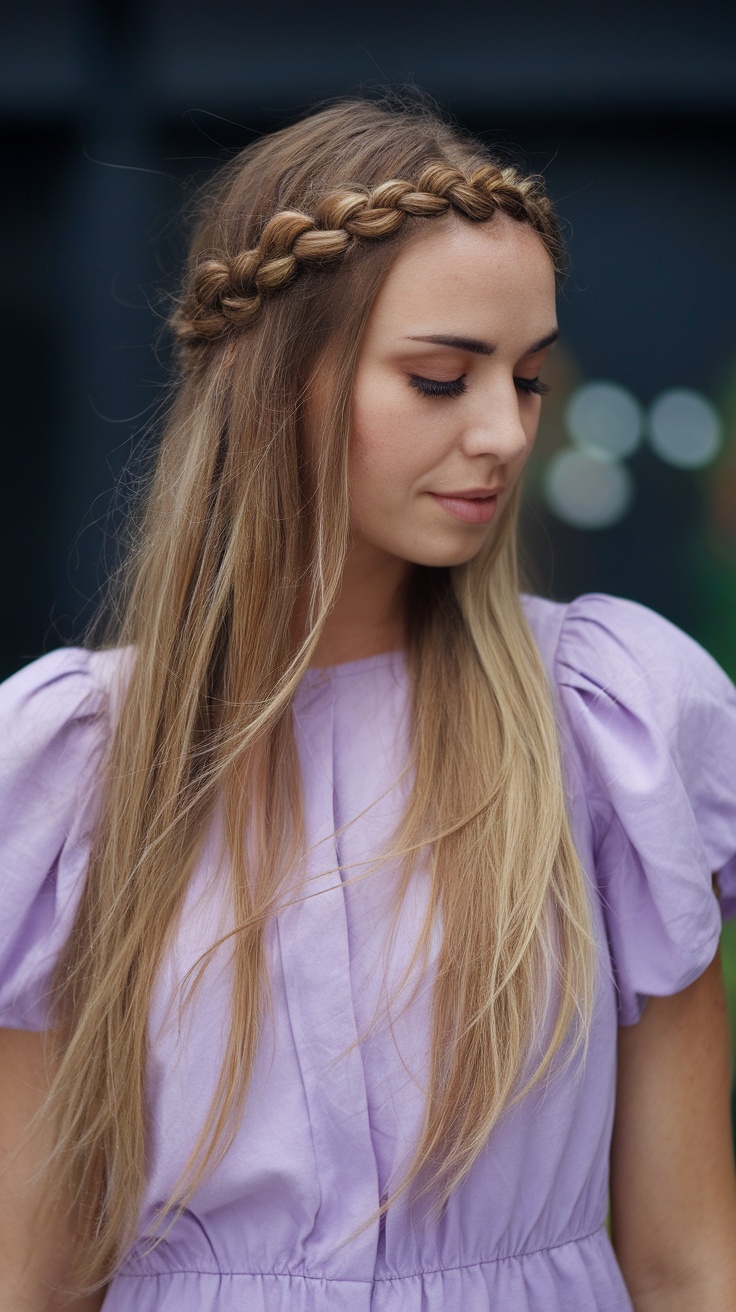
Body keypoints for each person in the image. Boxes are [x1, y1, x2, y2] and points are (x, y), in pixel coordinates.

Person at [1, 95, 735, 1312]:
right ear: (276, 380)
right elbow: (32, 1273)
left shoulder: (610, 728)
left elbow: (689, 1260)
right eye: (442, 378)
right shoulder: (75, 766)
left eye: (530, 380)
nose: (504, 432)